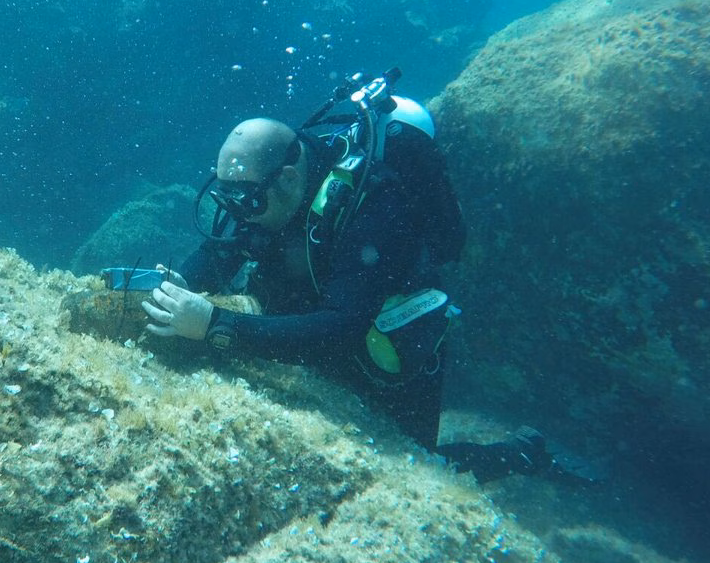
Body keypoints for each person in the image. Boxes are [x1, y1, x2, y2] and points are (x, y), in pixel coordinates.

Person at [140, 70, 556, 482]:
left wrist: (216, 325)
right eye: (227, 198)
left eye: (246, 200)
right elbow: (224, 248)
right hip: (319, 317)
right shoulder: (264, 189)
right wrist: (183, 280)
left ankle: (520, 456)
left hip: (383, 339)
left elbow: (341, 325)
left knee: (418, 465)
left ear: (286, 178)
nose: (240, 214)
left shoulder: (374, 203)